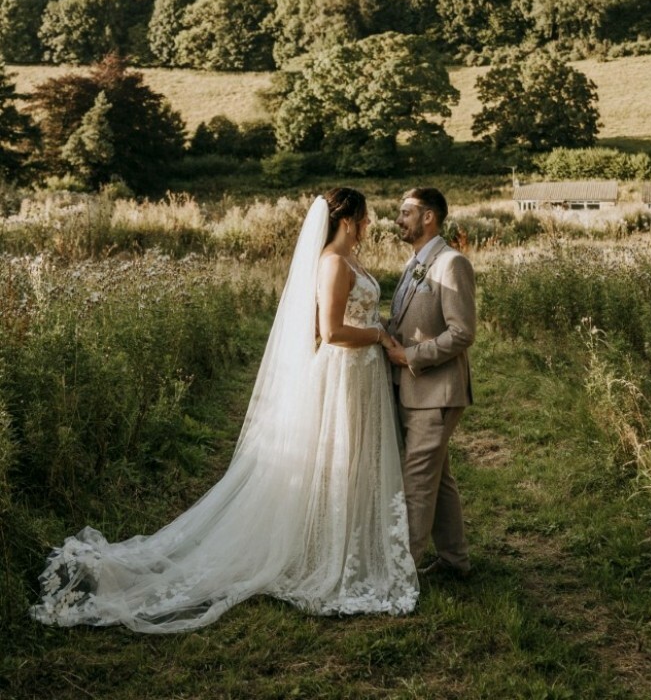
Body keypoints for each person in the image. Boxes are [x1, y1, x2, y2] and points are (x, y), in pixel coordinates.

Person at [31, 188, 419, 633]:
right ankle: (330, 552)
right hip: (345, 375)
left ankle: (348, 540)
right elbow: (329, 331)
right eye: (366, 218)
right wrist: (379, 337)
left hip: (361, 374)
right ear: (349, 220)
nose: (371, 224)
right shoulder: (332, 262)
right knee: (342, 457)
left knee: (354, 459)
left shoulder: (350, 260)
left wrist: (377, 331)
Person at [386, 187, 475, 577]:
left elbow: (462, 332)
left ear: (428, 217)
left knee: (417, 482)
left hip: (436, 391)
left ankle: (401, 575)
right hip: (413, 389)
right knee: (438, 481)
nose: (398, 219)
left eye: (406, 212)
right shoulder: (413, 265)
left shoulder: (451, 263)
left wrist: (412, 356)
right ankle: (455, 562)